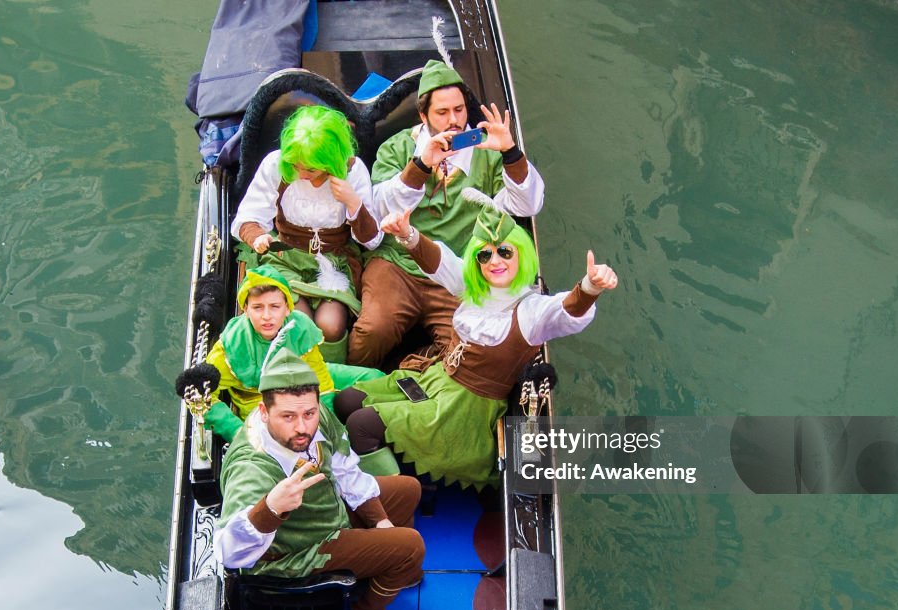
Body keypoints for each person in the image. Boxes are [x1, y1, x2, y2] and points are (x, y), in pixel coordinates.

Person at [335, 201, 618, 490]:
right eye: (485, 255)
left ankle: (382, 497)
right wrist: (407, 232)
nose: (495, 261)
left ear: (522, 255)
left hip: (465, 413)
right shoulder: (475, 288)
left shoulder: (532, 312)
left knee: (361, 425)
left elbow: (566, 310)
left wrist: (590, 288)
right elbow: (439, 263)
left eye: (505, 252)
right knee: (345, 400)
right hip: (435, 381)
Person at [214, 347, 425, 610]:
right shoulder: (253, 468)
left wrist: (380, 523)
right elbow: (228, 553)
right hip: (296, 550)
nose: (302, 427)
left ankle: (387, 573)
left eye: (309, 413)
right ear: (263, 412)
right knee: (411, 546)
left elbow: (345, 468)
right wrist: (270, 509)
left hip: (325, 507)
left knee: (408, 490)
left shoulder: (315, 415)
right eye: (288, 416)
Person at [347, 58, 545, 367]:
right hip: (399, 264)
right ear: (423, 115)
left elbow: (527, 206)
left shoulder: (487, 152)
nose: (453, 121)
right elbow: (381, 210)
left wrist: (510, 152)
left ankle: (411, 373)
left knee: (469, 348)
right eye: (442, 112)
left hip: (457, 271)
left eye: (459, 110)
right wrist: (421, 165)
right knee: (373, 330)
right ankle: (344, 385)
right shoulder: (397, 148)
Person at [232, 105, 382, 363]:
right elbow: (247, 217)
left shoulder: (353, 171)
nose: (301, 174)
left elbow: (370, 240)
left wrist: (352, 202)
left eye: (310, 169)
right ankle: (291, 381)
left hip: (332, 262)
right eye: (296, 165)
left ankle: (328, 382)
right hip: (285, 257)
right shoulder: (275, 164)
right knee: (296, 321)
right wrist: (258, 237)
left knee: (330, 325)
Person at [203, 265, 382, 443]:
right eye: (258, 307)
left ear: (288, 308)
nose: (267, 316)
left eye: (274, 306)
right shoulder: (232, 344)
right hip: (262, 399)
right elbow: (203, 395)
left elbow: (320, 377)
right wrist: (236, 431)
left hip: (304, 380)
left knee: (375, 379)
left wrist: (327, 423)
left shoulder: (300, 326)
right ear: (246, 310)